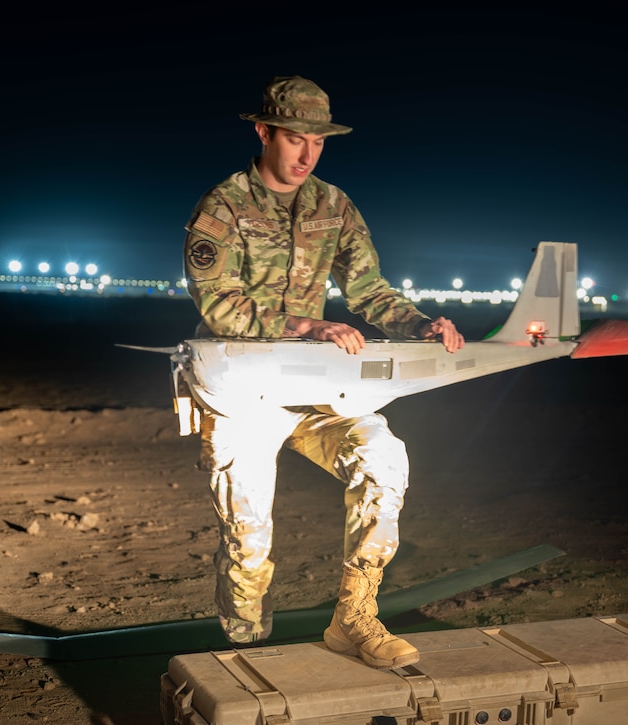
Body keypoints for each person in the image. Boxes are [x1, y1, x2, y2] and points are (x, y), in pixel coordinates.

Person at [181, 75, 464, 669]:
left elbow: (368, 290)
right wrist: (306, 326)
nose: (307, 154)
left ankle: (354, 618)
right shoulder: (223, 206)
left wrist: (420, 326)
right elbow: (219, 305)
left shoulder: (333, 206)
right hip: (243, 390)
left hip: (316, 387)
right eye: (294, 139)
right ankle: (243, 644)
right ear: (263, 132)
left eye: (318, 141)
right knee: (248, 545)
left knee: (383, 461)